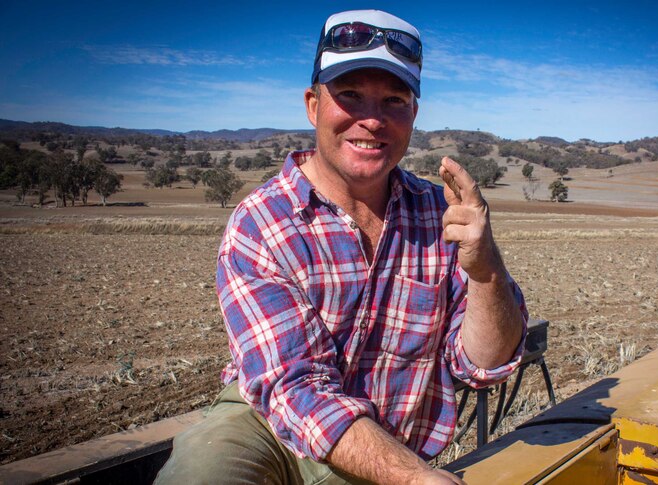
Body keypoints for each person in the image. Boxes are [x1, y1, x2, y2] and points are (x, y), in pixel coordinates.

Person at [156, 9, 528, 485]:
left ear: (413, 115)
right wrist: (415, 479)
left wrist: (486, 271)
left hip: (386, 445)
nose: (372, 120)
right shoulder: (262, 223)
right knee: (201, 472)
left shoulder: (441, 216)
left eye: (394, 100)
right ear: (313, 105)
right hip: (271, 428)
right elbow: (295, 388)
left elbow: (483, 365)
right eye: (350, 96)